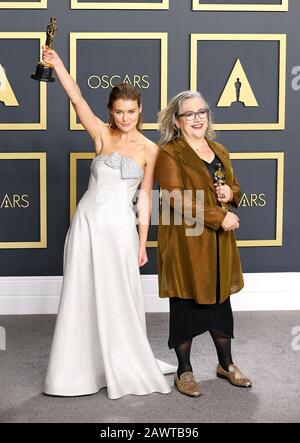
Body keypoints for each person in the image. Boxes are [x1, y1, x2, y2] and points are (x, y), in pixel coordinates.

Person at [42, 47, 175, 400]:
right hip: (86, 224)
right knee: (80, 294)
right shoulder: (101, 134)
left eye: (131, 111)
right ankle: (78, 371)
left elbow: (145, 198)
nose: (125, 117)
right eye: (119, 111)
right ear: (111, 112)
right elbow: (76, 99)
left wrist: (143, 241)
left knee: (118, 298)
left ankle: (120, 362)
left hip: (119, 231)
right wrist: (57, 65)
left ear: (140, 110)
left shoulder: (151, 149)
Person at [155, 90, 252, 397]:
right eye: (189, 114)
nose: (197, 119)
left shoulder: (219, 149)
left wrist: (231, 194)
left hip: (218, 241)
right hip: (186, 238)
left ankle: (226, 364)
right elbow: (176, 197)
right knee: (186, 302)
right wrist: (217, 216)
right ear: (177, 120)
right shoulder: (170, 153)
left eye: (201, 112)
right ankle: (184, 371)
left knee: (221, 302)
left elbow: (233, 184)